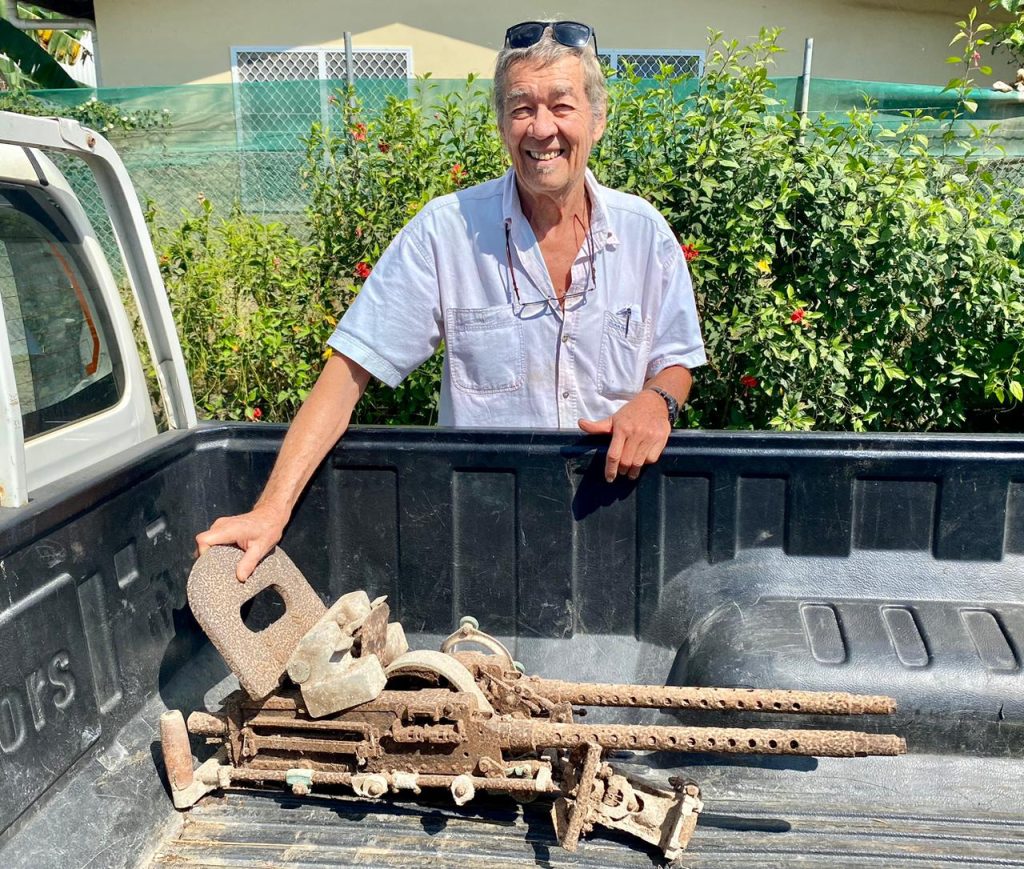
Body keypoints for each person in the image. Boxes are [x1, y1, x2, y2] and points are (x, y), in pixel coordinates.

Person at [196, 20, 706, 581]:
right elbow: (348, 372)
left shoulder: (644, 234)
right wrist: (271, 509)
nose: (541, 129)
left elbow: (675, 359)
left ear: (597, 119)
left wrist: (658, 401)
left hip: (613, 522)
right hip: (487, 535)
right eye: (520, 109)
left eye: (561, 106)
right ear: (501, 124)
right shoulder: (446, 232)